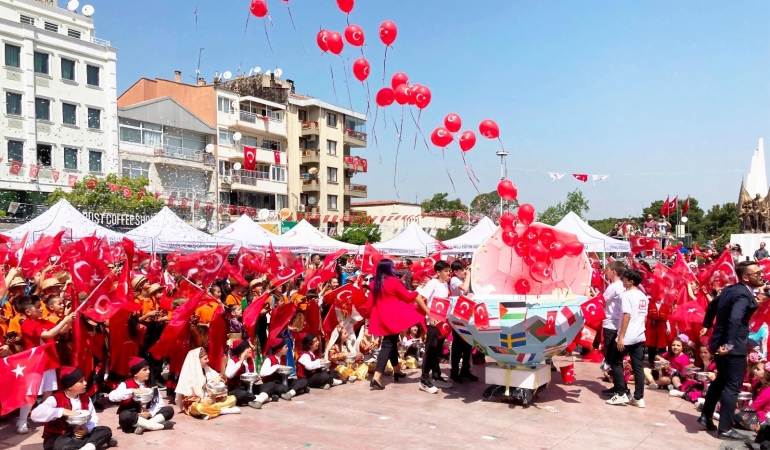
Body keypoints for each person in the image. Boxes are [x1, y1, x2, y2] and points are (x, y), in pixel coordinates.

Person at [699, 261, 763, 440]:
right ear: (745, 277)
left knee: (720, 381)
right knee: (732, 386)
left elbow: (711, 306)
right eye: (756, 273)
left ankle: (706, 415)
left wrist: (706, 325)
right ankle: (725, 428)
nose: (761, 275)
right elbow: (735, 319)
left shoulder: (730, 289)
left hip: (719, 344)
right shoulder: (743, 294)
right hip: (731, 348)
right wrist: (730, 345)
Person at [16, 295, 76, 434]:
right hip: (34, 364)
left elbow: (60, 331)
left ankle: (44, 416)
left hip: (49, 362)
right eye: (37, 307)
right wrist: (65, 320)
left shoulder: (43, 321)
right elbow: (48, 334)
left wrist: (68, 321)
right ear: (28, 312)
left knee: (48, 391)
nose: (41, 309)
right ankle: (22, 421)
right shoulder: (28, 324)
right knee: (31, 393)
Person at [368, 259, 427, 391]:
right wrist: (418, 290)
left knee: (392, 343)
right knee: (388, 344)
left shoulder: (373, 284)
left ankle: (397, 370)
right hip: (393, 317)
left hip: (381, 317)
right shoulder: (394, 281)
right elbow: (407, 296)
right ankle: (376, 378)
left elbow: (370, 302)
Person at [30, 366, 116, 450]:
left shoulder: (86, 398)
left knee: (105, 430)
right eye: (81, 381)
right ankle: (95, 443)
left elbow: (93, 417)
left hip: (79, 436)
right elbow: (35, 415)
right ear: (70, 386)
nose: (85, 383)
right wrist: (62, 411)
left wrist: (87, 429)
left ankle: (89, 446)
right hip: (59, 437)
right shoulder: (55, 399)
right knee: (62, 445)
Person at [606, 268, 647, 408]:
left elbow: (626, 315)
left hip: (628, 335)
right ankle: (638, 397)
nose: (622, 281)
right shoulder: (643, 296)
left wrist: (621, 337)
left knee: (614, 361)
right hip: (640, 335)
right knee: (638, 367)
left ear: (631, 281)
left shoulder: (627, 295)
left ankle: (621, 393)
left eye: (624, 279)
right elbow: (644, 317)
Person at [107, 357, 175, 435]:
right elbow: (112, 397)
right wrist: (132, 391)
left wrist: (149, 413)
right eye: (145, 370)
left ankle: (143, 427)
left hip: (147, 415)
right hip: (133, 416)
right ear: (135, 373)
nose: (148, 372)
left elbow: (160, 403)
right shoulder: (126, 384)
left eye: (148, 369)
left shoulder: (151, 384)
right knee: (124, 416)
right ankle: (159, 426)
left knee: (169, 410)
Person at [415, 260, 454, 392]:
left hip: (443, 322)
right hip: (433, 322)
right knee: (430, 349)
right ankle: (424, 379)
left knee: (437, 350)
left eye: (449, 271)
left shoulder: (445, 284)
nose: (449, 273)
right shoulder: (433, 283)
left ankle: (436, 376)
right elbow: (419, 298)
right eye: (446, 271)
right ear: (438, 272)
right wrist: (430, 314)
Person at [175, 347, 240, 420]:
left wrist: (218, 378)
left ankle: (210, 411)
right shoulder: (188, 374)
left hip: (212, 400)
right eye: (205, 359)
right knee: (198, 408)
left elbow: (223, 377)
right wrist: (201, 400)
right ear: (197, 360)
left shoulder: (206, 368)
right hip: (198, 403)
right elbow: (185, 399)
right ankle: (222, 411)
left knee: (232, 398)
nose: (208, 361)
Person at [597, 261, 626, 398]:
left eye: (608, 270)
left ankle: (621, 390)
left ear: (614, 272)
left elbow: (600, 302)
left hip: (611, 325)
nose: (606, 272)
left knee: (613, 359)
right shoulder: (623, 286)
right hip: (618, 325)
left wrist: (591, 295)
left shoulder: (614, 287)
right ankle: (619, 386)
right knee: (616, 359)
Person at [224, 339, 279, 409]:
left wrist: (256, 377)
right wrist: (241, 361)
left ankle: (256, 400)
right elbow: (228, 374)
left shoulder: (250, 361)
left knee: (271, 385)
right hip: (237, 389)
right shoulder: (232, 361)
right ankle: (265, 398)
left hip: (250, 386)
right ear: (241, 351)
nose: (250, 349)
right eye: (247, 348)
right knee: (241, 395)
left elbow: (254, 375)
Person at [448, 260, 477, 384]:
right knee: (457, 345)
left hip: (468, 313)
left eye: (465, 268)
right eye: (461, 270)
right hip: (457, 315)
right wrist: (469, 275)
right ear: (455, 271)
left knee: (468, 344)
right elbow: (464, 289)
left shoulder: (467, 279)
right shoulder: (454, 280)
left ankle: (465, 370)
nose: (464, 271)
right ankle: (454, 372)